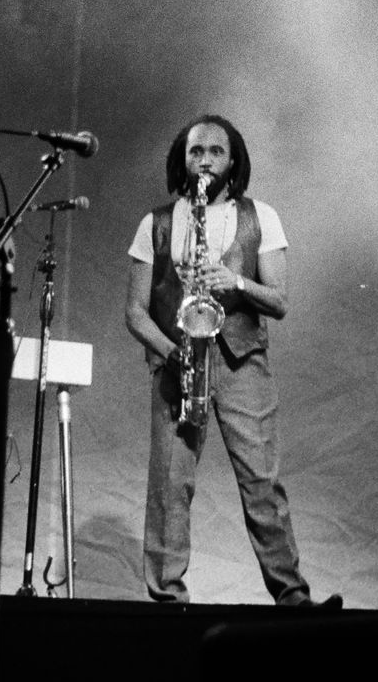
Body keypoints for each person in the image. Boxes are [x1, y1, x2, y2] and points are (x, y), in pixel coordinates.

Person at [125, 114, 334, 607]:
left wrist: (234, 282)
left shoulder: (261, 215)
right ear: (183, 157)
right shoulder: (156, 222)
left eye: (215, 151)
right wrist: (173, 353)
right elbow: (134, 312)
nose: (205, 160)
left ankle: (293, 598)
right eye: (196, 151)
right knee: (169, 489)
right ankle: (168, 600)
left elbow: (279, 301)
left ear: (233, 159)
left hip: (242, 363)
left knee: (262, 484)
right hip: (179, 364)